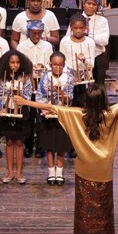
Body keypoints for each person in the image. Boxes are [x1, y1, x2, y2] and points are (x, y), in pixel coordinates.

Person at [14, 83, 118, 234]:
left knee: (86, 207)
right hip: (104, 169)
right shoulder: (110, 114)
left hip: (85, 169)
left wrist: (25, 102)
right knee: (103, 208)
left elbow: (50, 106)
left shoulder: (77, 114)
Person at [0, 50, 33, 184]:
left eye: (17, 62)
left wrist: (20, 97)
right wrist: (1, 107)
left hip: (21, 112)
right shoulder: (1, 78)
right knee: (9, 141)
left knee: (20, 142)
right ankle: (10, 172)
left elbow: (27, 95)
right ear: (7, 63)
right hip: (7, 112)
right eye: (12, 62)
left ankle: (19, 172)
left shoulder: (25, 78)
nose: (15, 65)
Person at [36, 52, 75, 185]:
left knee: (61, 146)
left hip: (62, 117)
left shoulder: (68, 78)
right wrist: (43, 109)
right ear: (50, 64)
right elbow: (40, 96)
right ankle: (51, 172)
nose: (57, 67)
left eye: (60, 65)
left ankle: (59, 172)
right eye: (55, 64)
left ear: (64, 65)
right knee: (50, 146)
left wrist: (61, 92)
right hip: (48, 117)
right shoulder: (45, 77)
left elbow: (70, 99)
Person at [17, 19, 53, 158]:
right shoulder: (22, 46)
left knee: (41, 118)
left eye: (39, 33)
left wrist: (43, 68)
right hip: (28, 86)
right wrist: (31, 69)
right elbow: (20, 66)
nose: (36, 36)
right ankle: (28, 145)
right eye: (34, 33)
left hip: (42, 87)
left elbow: (51, 64)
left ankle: (40, 146)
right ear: (29, 32)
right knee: (28, 118)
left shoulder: (47, 46)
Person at [64, 0, 110, 84]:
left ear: (97, 7)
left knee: (98, 84)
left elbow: (104, 41)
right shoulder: (76, 19)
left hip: (97, 56)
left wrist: (88, 35)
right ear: (84, 4)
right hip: (79, 56)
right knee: (80, 84)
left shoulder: (102, 20)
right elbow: (67, 38)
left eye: (94, 4)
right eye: (89, 3)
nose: (91, 6)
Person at [59, 12, 96, 88]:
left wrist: (84, 60)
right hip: (68, 77)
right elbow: (62, 62)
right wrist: (69, 75)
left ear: (85, 28)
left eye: (81, 28)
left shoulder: (90, 42)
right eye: (75, 28)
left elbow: (91, 65)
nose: (78, 31)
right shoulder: (64, 41)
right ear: (71, 27)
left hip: (85, 78)